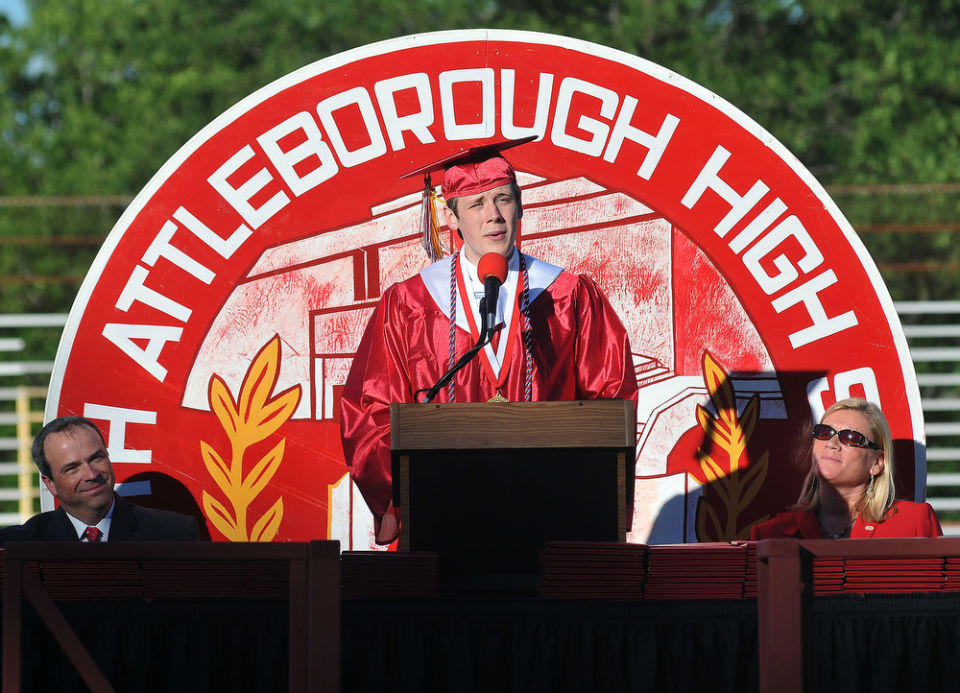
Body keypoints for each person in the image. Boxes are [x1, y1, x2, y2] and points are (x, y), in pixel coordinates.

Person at [340, 139, 639, 544]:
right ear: (452, 219)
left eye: (503, 199)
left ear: (521, 206)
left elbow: (610, 398)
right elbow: (370, 409)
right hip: (442, 519)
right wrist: (397, 495)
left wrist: (596, 493)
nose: (493, 216)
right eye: (476, 204)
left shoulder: (569, 296)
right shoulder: (408, 303)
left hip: (553, 515)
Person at [750, 398, 942, 539]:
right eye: (824, 433)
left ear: (877, 463)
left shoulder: (915, 523)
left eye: (850, 437)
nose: (832, 444)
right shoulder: (769, 535)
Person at [0, 416, 200, 543]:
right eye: (72, 468)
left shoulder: (173, 535)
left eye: (97, 458)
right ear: (50, 483)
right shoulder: (17, 545)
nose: (91, 474)